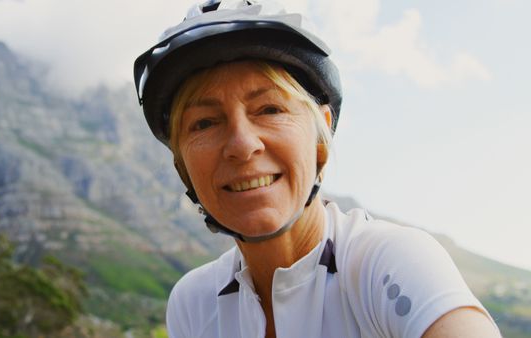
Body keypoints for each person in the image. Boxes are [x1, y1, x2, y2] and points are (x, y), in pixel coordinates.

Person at [133, 1, 501, 337]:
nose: (243, 145)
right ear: (182, 164)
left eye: (270, 109)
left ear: (319, 137)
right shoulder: (192, 303)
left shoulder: (388, 262)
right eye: (204, 123)